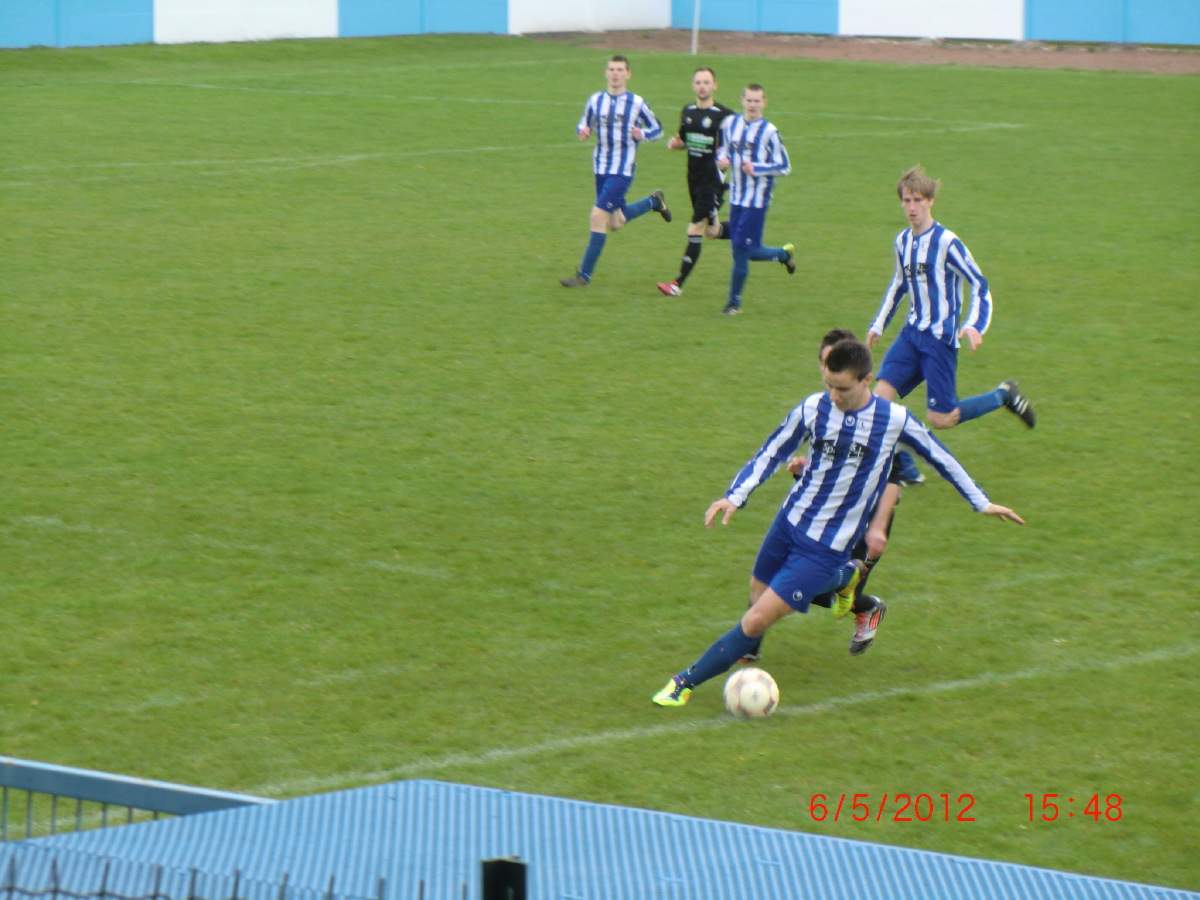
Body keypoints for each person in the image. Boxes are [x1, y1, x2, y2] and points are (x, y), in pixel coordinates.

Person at [652, 338, 1024, 708]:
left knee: (754, 621)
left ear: (867, 380)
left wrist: (981, 502)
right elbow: (772, 450)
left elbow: (941, 457)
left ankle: (683, 683)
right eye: (828, 384)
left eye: (842, 388)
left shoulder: (893, 420)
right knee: (756, 591)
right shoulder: (813, 408)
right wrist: (735, 495)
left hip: (825, 546)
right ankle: (843, 580)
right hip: (789, 522)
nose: (833, 395)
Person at [867, 165, 1037, 435]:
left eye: (918, 200)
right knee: (878, 403)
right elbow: (899, 285)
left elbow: (979, 283)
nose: (912, 208)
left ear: (930, 201)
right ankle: (898, 466)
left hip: (939, 342)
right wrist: (877, 325)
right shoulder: (902, 241)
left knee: (942, 419)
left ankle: (1003, 395)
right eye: (906, 200)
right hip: (911, 335)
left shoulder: (947, 243)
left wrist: (974, 326)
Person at [560, 56, 671, 288]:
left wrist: (644, 134)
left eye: (620, 70)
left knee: (597, 215)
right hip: (600, 167)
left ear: (628, 74)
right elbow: (584, 122)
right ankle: (654, 202)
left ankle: (584, 276)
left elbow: (658, 128)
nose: (615, 74)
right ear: (605, 73)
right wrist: (583, 130)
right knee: (616, 222)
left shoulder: (637, 103)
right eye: (612, 69)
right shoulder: (595, 100)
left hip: (622, 170)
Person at [714, 83, 795, 316]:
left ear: (764, 103)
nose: (752, 104)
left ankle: (734, 303)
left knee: (740, 249)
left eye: (757, 101)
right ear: (742, 100)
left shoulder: (769, 131)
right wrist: (722, 161)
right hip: (736, 197)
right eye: (749, 100)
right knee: (746, 250)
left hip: (757, 200)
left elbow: (785, 166)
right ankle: (782, 254)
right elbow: (722, 151)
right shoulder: (730, 124)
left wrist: (757, 168)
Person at [655, 67, 735, 298]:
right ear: (693, 86)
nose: (702, 86)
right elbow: (685, 140)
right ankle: (743, 228)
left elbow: (737, 146)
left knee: (695, 228)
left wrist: (727, 161)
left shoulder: (725, 116)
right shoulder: (687, 111)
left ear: (715, 85)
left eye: (707, 82)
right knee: (713, 231)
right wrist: (675, 144)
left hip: (713, 181)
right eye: (698, 82)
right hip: (693, 177)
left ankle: (677, 284)